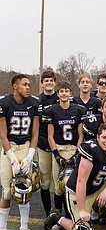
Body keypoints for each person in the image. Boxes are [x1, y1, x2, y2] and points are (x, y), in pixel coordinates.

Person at [44, 124, 106, 230]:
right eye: (104, 137)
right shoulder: (90, 150)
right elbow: (81, 181)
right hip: (78, 193)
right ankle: (57, 217)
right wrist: (82, 210)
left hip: (98, 186)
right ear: (98, 137)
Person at [0, 74, 40, 230]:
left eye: (29, 84)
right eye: (25, 84)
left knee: (25, 189)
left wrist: (30, 155)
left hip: (25, 146)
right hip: (9, 148)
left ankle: (24, 227)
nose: (28, 87)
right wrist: (12, 158)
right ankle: (2, 229)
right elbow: (2, 133)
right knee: (7, 191)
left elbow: (35, 132)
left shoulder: (34, 103)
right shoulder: (4, 103)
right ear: (15, 86)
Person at [43, 80, 87, 213]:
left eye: (66, 91)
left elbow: (81, 135)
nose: (64, 93)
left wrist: (77, 153)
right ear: (58, 93)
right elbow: (50, 135)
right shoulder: (51, 110)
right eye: (61, 91)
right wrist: (56, 154)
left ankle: (70, 213)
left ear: (70, 93)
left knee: (72, 185)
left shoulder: (79, 109)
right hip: (59, 148)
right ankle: (57, 213)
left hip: (73, 148)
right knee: (58, 185)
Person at [36, 69, 59, 213]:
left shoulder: (62, 97)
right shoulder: (37, 101)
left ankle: (59, 212)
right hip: (43, 143)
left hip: (59, 144)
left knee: (59, 182)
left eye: (51, 80)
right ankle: (47, 213)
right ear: (42, 83)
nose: (49, 83)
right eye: (46, 81)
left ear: (54, 82)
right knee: (45, 181)